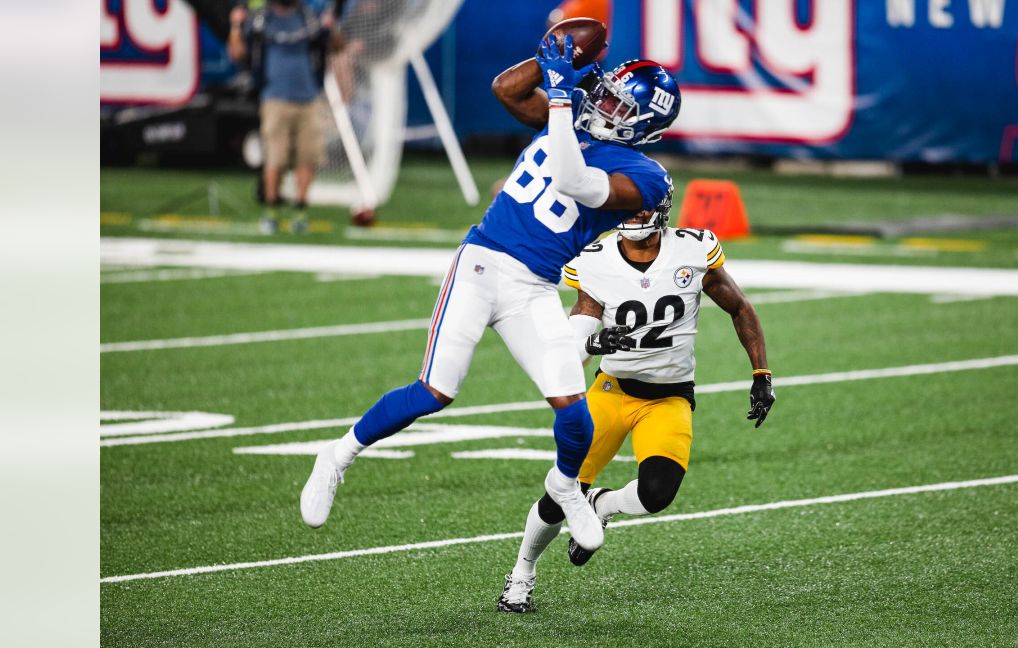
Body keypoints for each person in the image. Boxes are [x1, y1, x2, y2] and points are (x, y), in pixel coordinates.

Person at [299, 37, 684, 562]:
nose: (605, 105)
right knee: (436, 390)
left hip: (533, 285)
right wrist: (556, 62)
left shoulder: (645, 176)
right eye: (607, 94)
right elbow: (506, 87)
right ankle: (337, 455)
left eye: (620, 105)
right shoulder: (569, 112)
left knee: (574, 412)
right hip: (481, 263)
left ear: (643, 126)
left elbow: (573, 180)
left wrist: (562, 93)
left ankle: (567, 486)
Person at [496, 187, 775, 613]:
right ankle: (522, 574)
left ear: (662, 209)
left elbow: (739, 307)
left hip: (669, 397)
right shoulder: (596, 258)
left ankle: (603, 504)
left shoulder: (693, 251)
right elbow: (575, 343)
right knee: (559, 497)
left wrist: (761, 373)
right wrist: (595, 339)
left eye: (641, 204)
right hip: (612, 391)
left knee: (657, 493)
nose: (632, 214)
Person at [228, 1, 334, 234]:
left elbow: (334, 46)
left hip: (309, 98)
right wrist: (236, 26)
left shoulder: (309, 18)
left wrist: (331, 29)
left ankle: (300, 212)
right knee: (275, 158)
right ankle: (272, 210)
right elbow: (237, 53)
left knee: (307, 157)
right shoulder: (261, 20)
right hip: (274, 98)